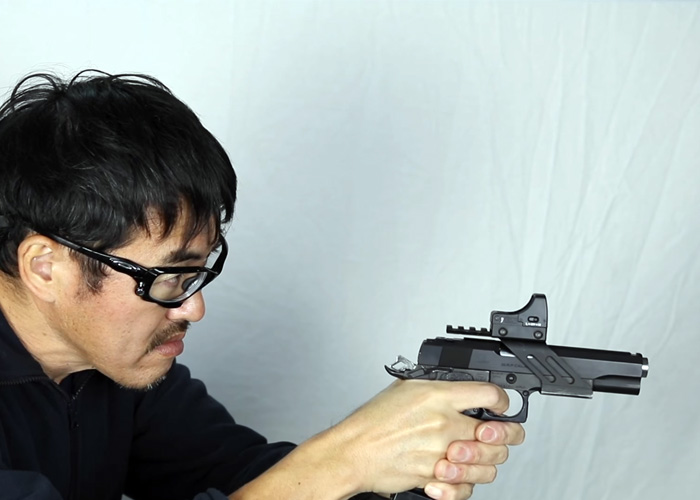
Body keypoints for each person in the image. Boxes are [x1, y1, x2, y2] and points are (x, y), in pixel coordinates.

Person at [0, 70, 524, 500]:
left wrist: (395, 473)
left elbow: (243, 474)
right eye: (167, 277)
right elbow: (304, 481)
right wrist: (344, 459)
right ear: (46, 268)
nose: (193, 308)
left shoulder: (119, 369)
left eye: (198, 272)